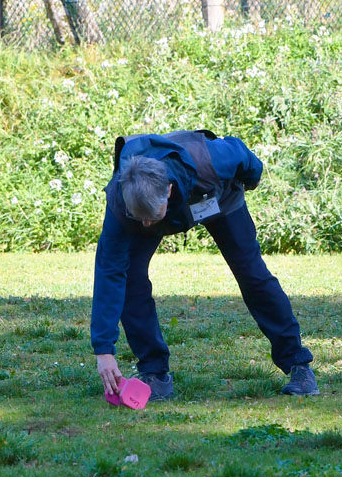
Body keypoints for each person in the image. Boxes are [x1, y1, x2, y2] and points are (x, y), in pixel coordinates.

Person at [92, 129, 319, 400]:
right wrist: (103, 350)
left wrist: (247, 184)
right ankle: (154, 373)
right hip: (155, 204)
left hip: (217, 198)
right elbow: (109, 271)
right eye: (140, 218)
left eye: (151, 217)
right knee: (130, 279)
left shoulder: (211, 160)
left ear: (168, 189)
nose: (146, 225)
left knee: (252, 274)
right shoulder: (123, 202)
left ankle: (298, 364)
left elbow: (248, 160)